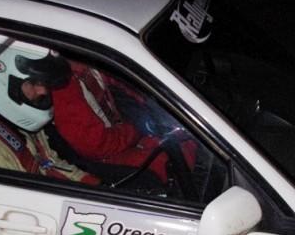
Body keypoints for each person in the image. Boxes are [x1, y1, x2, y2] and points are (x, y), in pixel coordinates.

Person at [0, 39, 98, 185]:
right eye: (33, 83)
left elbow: (50, 163)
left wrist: (95, 186)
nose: (42, 91)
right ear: (0, 78)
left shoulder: (20, 125)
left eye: (43, 83)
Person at [50, 60, 196, 184]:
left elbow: (124, 81)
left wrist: (150, 100)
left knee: (184, 137)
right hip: (106, 157)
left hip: (122, 135)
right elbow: (95, 145)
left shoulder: (87, 63)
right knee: (169, 160)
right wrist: (135, 129)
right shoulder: (63, 85)